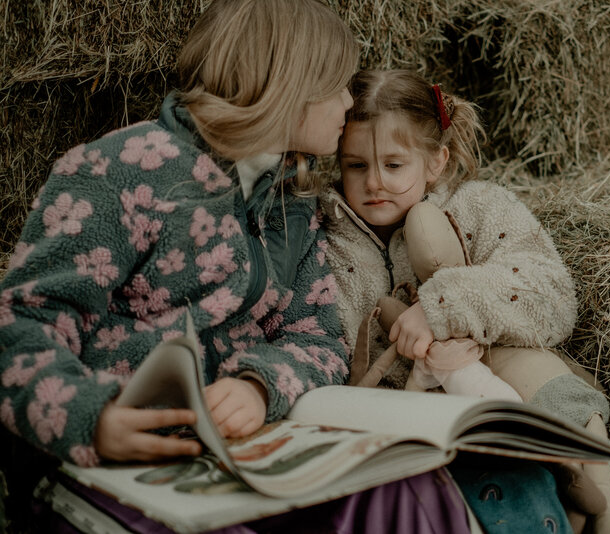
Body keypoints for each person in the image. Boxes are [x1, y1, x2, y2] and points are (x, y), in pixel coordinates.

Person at [0, 3, 471, 533]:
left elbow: (317, 340)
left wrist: (259, 386)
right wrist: (92, 419)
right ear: (290, 87)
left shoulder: (292, 199)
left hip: (242, 447)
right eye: (338, 85)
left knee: (407, 490)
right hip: (109, 467)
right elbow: (20, 323)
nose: (348, 101)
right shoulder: (122, 170)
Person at [320, 68, 610, 534]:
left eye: (394, 165)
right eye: (357, 166)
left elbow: (551, 294)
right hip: (420, 428)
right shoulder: (324, 237)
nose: (374, 182)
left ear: (436, 161)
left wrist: (442, 307)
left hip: (508, 396)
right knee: (515, 500)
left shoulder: (479, 207)